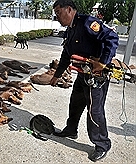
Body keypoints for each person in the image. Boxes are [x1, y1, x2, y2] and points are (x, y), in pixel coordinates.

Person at [50, 0, 119, 162]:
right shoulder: (70, 30)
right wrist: (57, 75)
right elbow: (67, 54)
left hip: (96, 77)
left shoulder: (88, 23)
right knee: (75, 103)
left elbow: (112, 37)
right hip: (83, 75)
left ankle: (102, 145)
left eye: (59, 13)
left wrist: (102, 62)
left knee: (94, 111)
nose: (57, 17)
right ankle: (71, 129)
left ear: (69, 9)